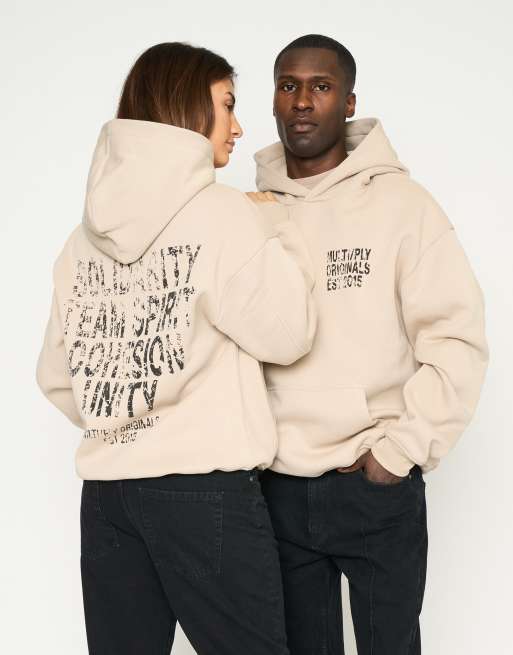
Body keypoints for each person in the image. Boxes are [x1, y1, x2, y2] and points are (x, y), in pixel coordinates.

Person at [36, 42, 316, 655]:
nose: (238, 127)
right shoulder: (222, 215)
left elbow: (58, 376)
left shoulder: (81, 239)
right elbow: (288, 334)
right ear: (187, 109)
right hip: (202, 489)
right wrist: (274, 228)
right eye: (228, 105)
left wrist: (127, 417)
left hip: (108, 495)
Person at [254, 34, 489, 654]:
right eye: (288, 86)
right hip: (276, 488)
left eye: (321, 87)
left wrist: (400, 450)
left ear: (350, 103)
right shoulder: (249, 213)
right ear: (273, 99)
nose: (302, 101)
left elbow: (457, 338)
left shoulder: (404, 207)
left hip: (372, 482)